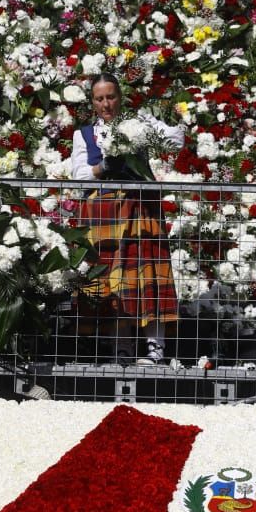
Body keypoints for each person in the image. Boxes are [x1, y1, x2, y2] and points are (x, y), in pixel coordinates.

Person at [69, 74, 185, 364]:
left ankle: (155, 348)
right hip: (104, 213)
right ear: (92, 102)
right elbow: (79, 175)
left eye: (110, 97)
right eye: (99, 99)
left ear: (119, 97)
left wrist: (152, 124)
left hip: (139, 209)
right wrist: (104, 166)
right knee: (112, 283)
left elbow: (176, 139)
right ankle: (121, 347)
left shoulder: (137, 124)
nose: (106, 104)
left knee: (149, 278)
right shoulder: (84, 134)